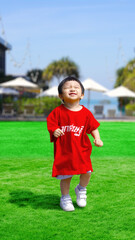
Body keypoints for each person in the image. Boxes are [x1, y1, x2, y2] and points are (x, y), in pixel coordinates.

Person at [47, 76, 103, 211]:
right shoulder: (57, 112)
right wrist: (55, 131)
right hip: (64, 152)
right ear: (61, 95)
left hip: (82, 150)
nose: (72, 88)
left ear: (82, 95)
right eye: (67, 87)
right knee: (66, 176)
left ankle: (81, 189)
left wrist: (97, 138)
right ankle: (65, 198)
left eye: (76, 87)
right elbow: (51, 124)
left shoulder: (86, 113)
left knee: (87, 172)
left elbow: (93, 127)